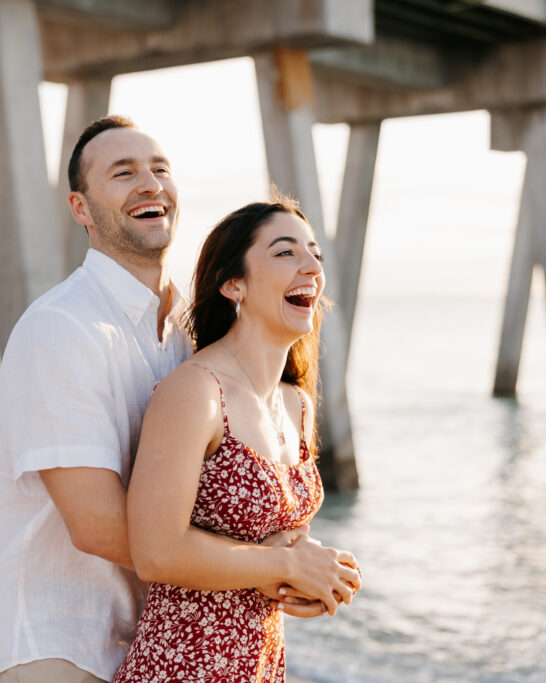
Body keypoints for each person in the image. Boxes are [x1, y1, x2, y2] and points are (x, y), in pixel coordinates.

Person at [0, 115, 354, 683]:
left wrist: (289, 557)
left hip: (161, 632)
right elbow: (99, 524)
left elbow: (219, 497)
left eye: (160, 169)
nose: (150, 184)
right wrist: (277, 566)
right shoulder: (61, 328)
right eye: (123, 173)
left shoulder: (188, 334)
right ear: (81, 209)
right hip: (56, 638)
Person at [113, 198, 360, 682]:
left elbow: (268, 545)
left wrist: (308, 577)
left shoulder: (298, 404)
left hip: (259, 667)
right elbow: (155, 552)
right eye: (285, 253)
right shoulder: (196, 391)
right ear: (233, 284)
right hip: (182, 667)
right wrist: (285, 563)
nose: (311, 266)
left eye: (314, 254)